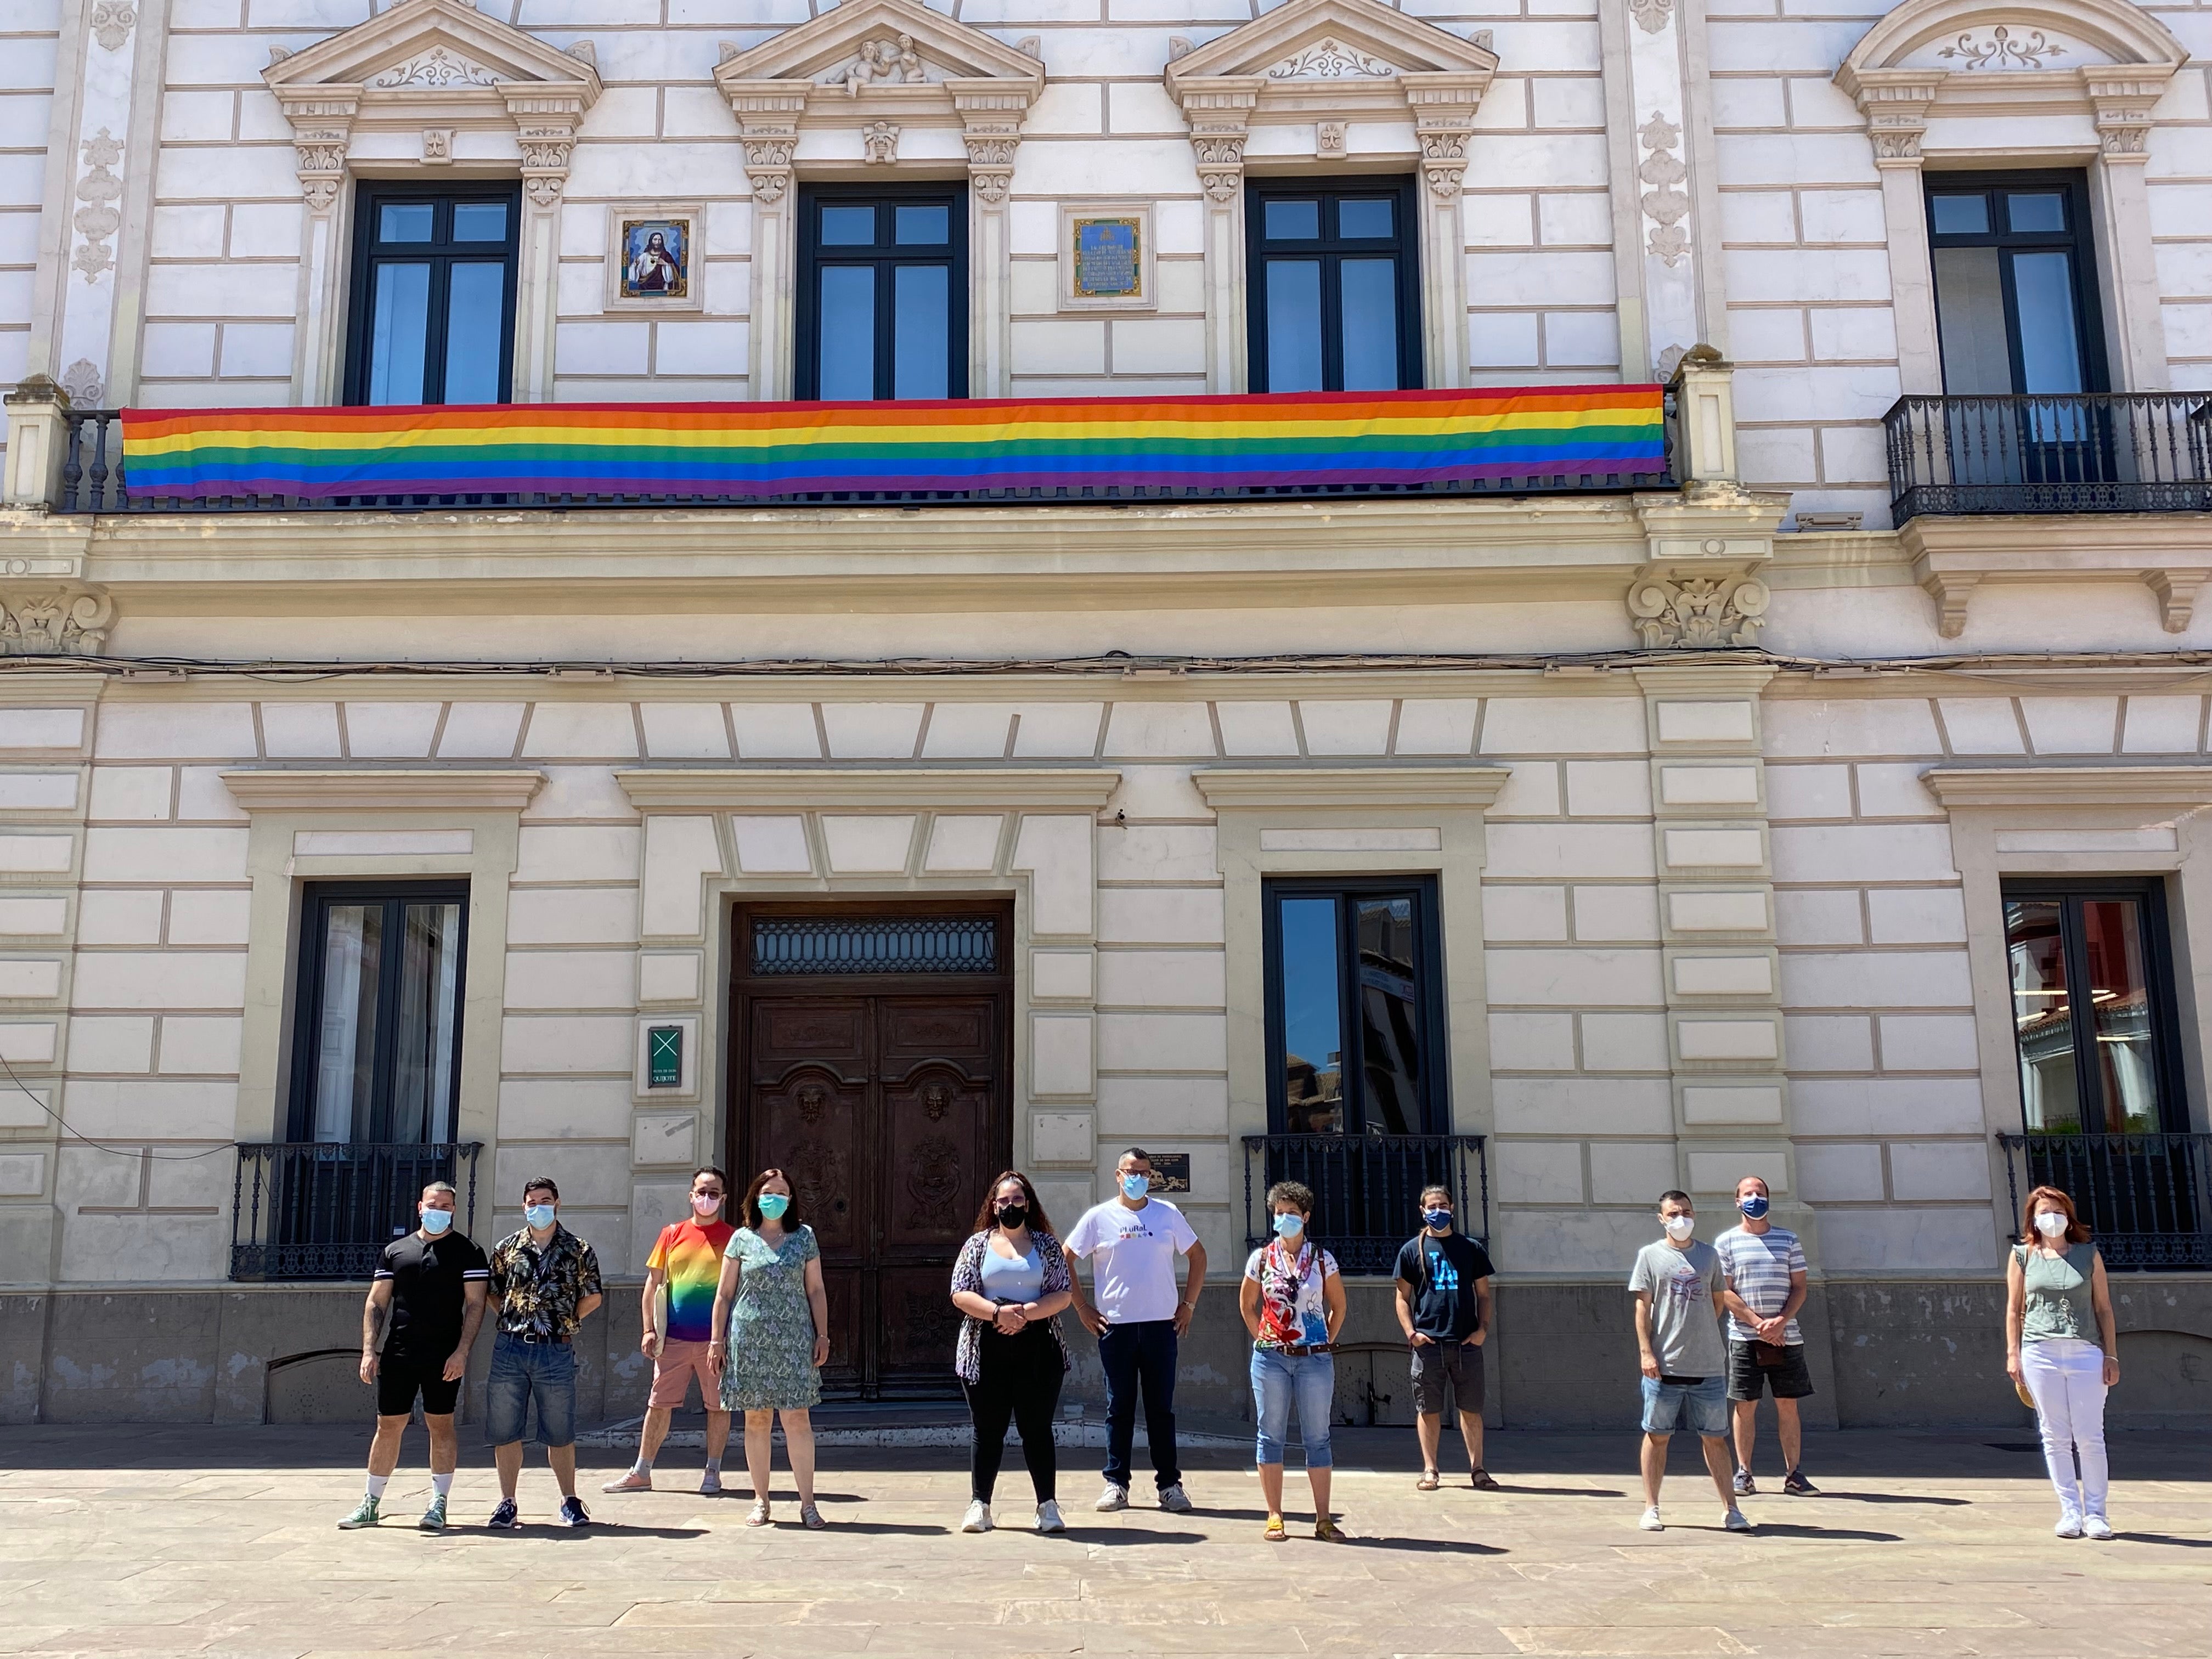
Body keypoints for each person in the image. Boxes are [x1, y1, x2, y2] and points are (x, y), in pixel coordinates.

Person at [338, 1180, 489, 1532]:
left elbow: (476, 1303)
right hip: (399, 1352)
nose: (439, 1211)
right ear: (420, 1206)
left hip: (444, 1355)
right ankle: (371, 1503)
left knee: (441, 1425)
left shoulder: (469, 1252)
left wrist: (462, 1352)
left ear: (454, 1210)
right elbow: (377, 1302)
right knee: (388, 1426)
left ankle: (439, 1503)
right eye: (433, 1205)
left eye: (447, 1207)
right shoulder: (395, 1251)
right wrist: (368, 1351)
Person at [1065, 1147, 1208, 1514]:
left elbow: (1197, 1255)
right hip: (1116, 1328)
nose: (1137, 1178)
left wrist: (1188, 1305)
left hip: (1162, 1326)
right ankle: (1116, 1484)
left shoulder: (1168, 1215)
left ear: (1151, 1176)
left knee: (1161, 1409)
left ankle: (1169, 1486)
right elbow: (1065, 1257)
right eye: (1131, 1171)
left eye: (1144, 1172)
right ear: (1118, 1175)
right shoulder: (1098, 1219)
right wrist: (1081, 1307)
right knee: (1119, 1407)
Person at [948, 1171, 1075, 1534]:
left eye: (1017, 1200)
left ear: (1028, 1204)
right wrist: (997, 1313)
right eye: (1003, 1201)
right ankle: (980, 1505)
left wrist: (1023, 1315)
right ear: (994, 1205)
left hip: (1038, 1348)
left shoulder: (1047, 1246)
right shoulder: (977, 1245)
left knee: (1037, 1428)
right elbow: (960, 1291)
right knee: (988, 1429)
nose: (1010, 1206)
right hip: (986, 1347)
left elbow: (1062, 1293)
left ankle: (1047, 1507)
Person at [709, 1168, 831, 1530]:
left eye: (781, 1193)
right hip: (749, 1340)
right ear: (755, 1198)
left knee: (797, 1418)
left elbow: (816, 1290)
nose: (774, 1199)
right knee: (757, 1419)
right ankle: (761, 1500)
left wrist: (822, 1334)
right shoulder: (741, 1239)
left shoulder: (804, 1237)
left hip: (794, 1339)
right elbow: (724, 1294)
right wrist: (717, 1341)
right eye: (768, 1192)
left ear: (791, 1200)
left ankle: (808, 1503)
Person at [604, 1167, 735, 1497]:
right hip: (673, 1340)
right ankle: (641, 1472)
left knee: (718, 1407)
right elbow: (653, 1285)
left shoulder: (734, 1237)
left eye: (714, 1193)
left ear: (724, 1198)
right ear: (691, 1195)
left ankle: (713, 1473)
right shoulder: (671, 1233)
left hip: (714, 1343)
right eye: (702, 1191)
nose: (707, 1198)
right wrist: (649, 1329)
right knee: (658, 1405)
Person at [485, 1177, 605, 1529]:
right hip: (510, 1350)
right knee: (506, 1429)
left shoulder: (578, 1249)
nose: (539, 1207)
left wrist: (564, 1321)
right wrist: (515, 1320)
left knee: (559, 1429)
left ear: (558, 1203)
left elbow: (593, 1295)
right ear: (523, 1206)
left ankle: (569, 1500)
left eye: (546, 1200)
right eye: (533, 1201)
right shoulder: (506, 1248)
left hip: (555, 1350)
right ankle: (507, 1502)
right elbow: (493, 1292)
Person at [1630, 1190, 1752, 1533]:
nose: (1679, 1218)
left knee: (1715, 1437)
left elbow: (1717, 1302)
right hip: (1663, 1366)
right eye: (1672, 1213)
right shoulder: (1650, 1257)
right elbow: (1642, 1307)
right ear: (1661, 1218)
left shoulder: (1710, 1256)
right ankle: (1652, 1507)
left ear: (1694, 1214)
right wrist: (1646, 1351)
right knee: (1657, 1435)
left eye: (1685, 1212)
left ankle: (1732, 1509)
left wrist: (1699, 1335)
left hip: (1708, 1366)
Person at [2005, 1185, 2120, 1539]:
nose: (2050, 1218)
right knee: (2054, 1436)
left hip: (2085, 1351)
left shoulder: (2089, 1255)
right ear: (2033, 1219)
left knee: (2090, 1436)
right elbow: (2014, 1309)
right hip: (2039, 1352)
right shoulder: (2022, 1255)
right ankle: (2070, 1512)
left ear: (2068, 1217)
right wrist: (2013, 1353)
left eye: (2057, 1211)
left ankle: (2097, 1514)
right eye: (2043, 1212)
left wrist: (2111, 1355)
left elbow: (2103, 1308)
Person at [1241, 1181, 1346, 1542]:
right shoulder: (1261, 1259)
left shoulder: (1322, 1259)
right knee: (1270, 1436)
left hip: (1314, 1359)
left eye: (1292, 1213)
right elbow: (1247, 1304)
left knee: (1318, 1437)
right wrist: (1263, 1338)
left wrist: (1323, 1342)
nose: (1285, 1218)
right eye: (1279, 1213)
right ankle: (1274, 1515)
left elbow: (1339, 1305)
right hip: (1271, 1360)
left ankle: (1323, 1518)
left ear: (1306, 1217)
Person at [1714, 1175, 1817, 1497]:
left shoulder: (1788, 1239)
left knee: (1788, 1405)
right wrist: (1759, 1323)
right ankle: (1744, 1473)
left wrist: (1781, 1322)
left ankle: (1794, 1474)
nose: (1755, 1197)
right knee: (1746, 1405)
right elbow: (1725, 1291)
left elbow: (1800, 1286)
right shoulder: (1726, 1242)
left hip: (1787, 1338)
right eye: (1748, 1193)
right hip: (1745, 1339)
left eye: (1760, 1192)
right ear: (1737, 1201)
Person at [1393, 1183, 1496, 1493]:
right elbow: (1402, 1297)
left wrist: (1482, 1331)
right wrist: (1412, 1333)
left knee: (1471, 1410)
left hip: (1466, 1344)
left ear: (1452, 1208)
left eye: (1443, 1206)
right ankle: (1430, 1470)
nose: (1438, 1211)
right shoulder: (1412, 1250)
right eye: (1431, 1207)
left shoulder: (1471, 1249)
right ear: (1423, 1211)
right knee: (1428, 1410)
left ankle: (1478, 1469)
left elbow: (1484, 1295)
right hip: (1429, 1346)